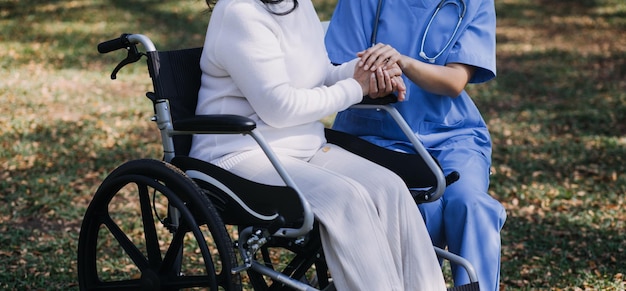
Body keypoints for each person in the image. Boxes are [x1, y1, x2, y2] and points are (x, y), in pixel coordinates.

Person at [190, 0, 446, 290]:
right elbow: (280, 108)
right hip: (240, 152)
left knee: (390, 187)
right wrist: (357, 87)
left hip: (303, 147)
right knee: (345, 199)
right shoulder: (239, 11)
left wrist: (371, 70)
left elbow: (322, 74)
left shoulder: (296, 5)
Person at [324, 0, 507, 290]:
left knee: (471, 205)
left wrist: (403, 62)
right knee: (422, 210)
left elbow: (455, 81)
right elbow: (340, 67)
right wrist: (378, 78)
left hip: (452, 134)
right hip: (377, 133)